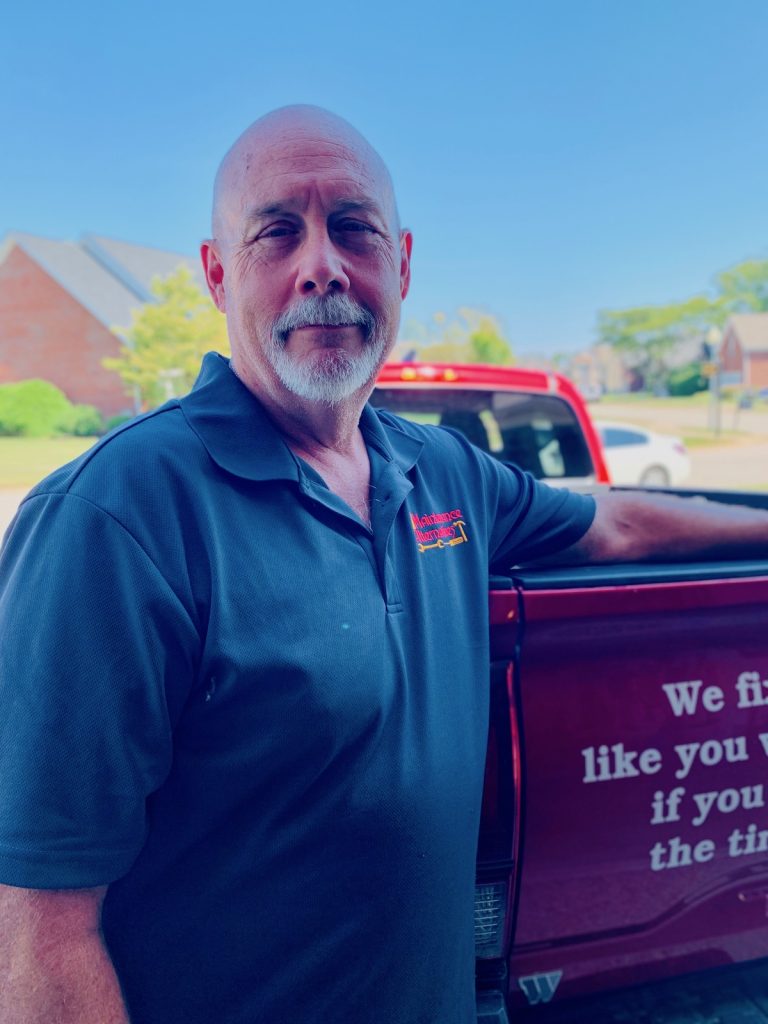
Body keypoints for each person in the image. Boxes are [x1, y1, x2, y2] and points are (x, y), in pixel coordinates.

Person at [0, 105, 766, 1024]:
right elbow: (37, 936)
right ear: (218, 274)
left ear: (400, 264)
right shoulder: (114, 519)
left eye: (353, 227)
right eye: (276, 232)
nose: (321, 265)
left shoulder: (441, 471)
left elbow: (619, 525)